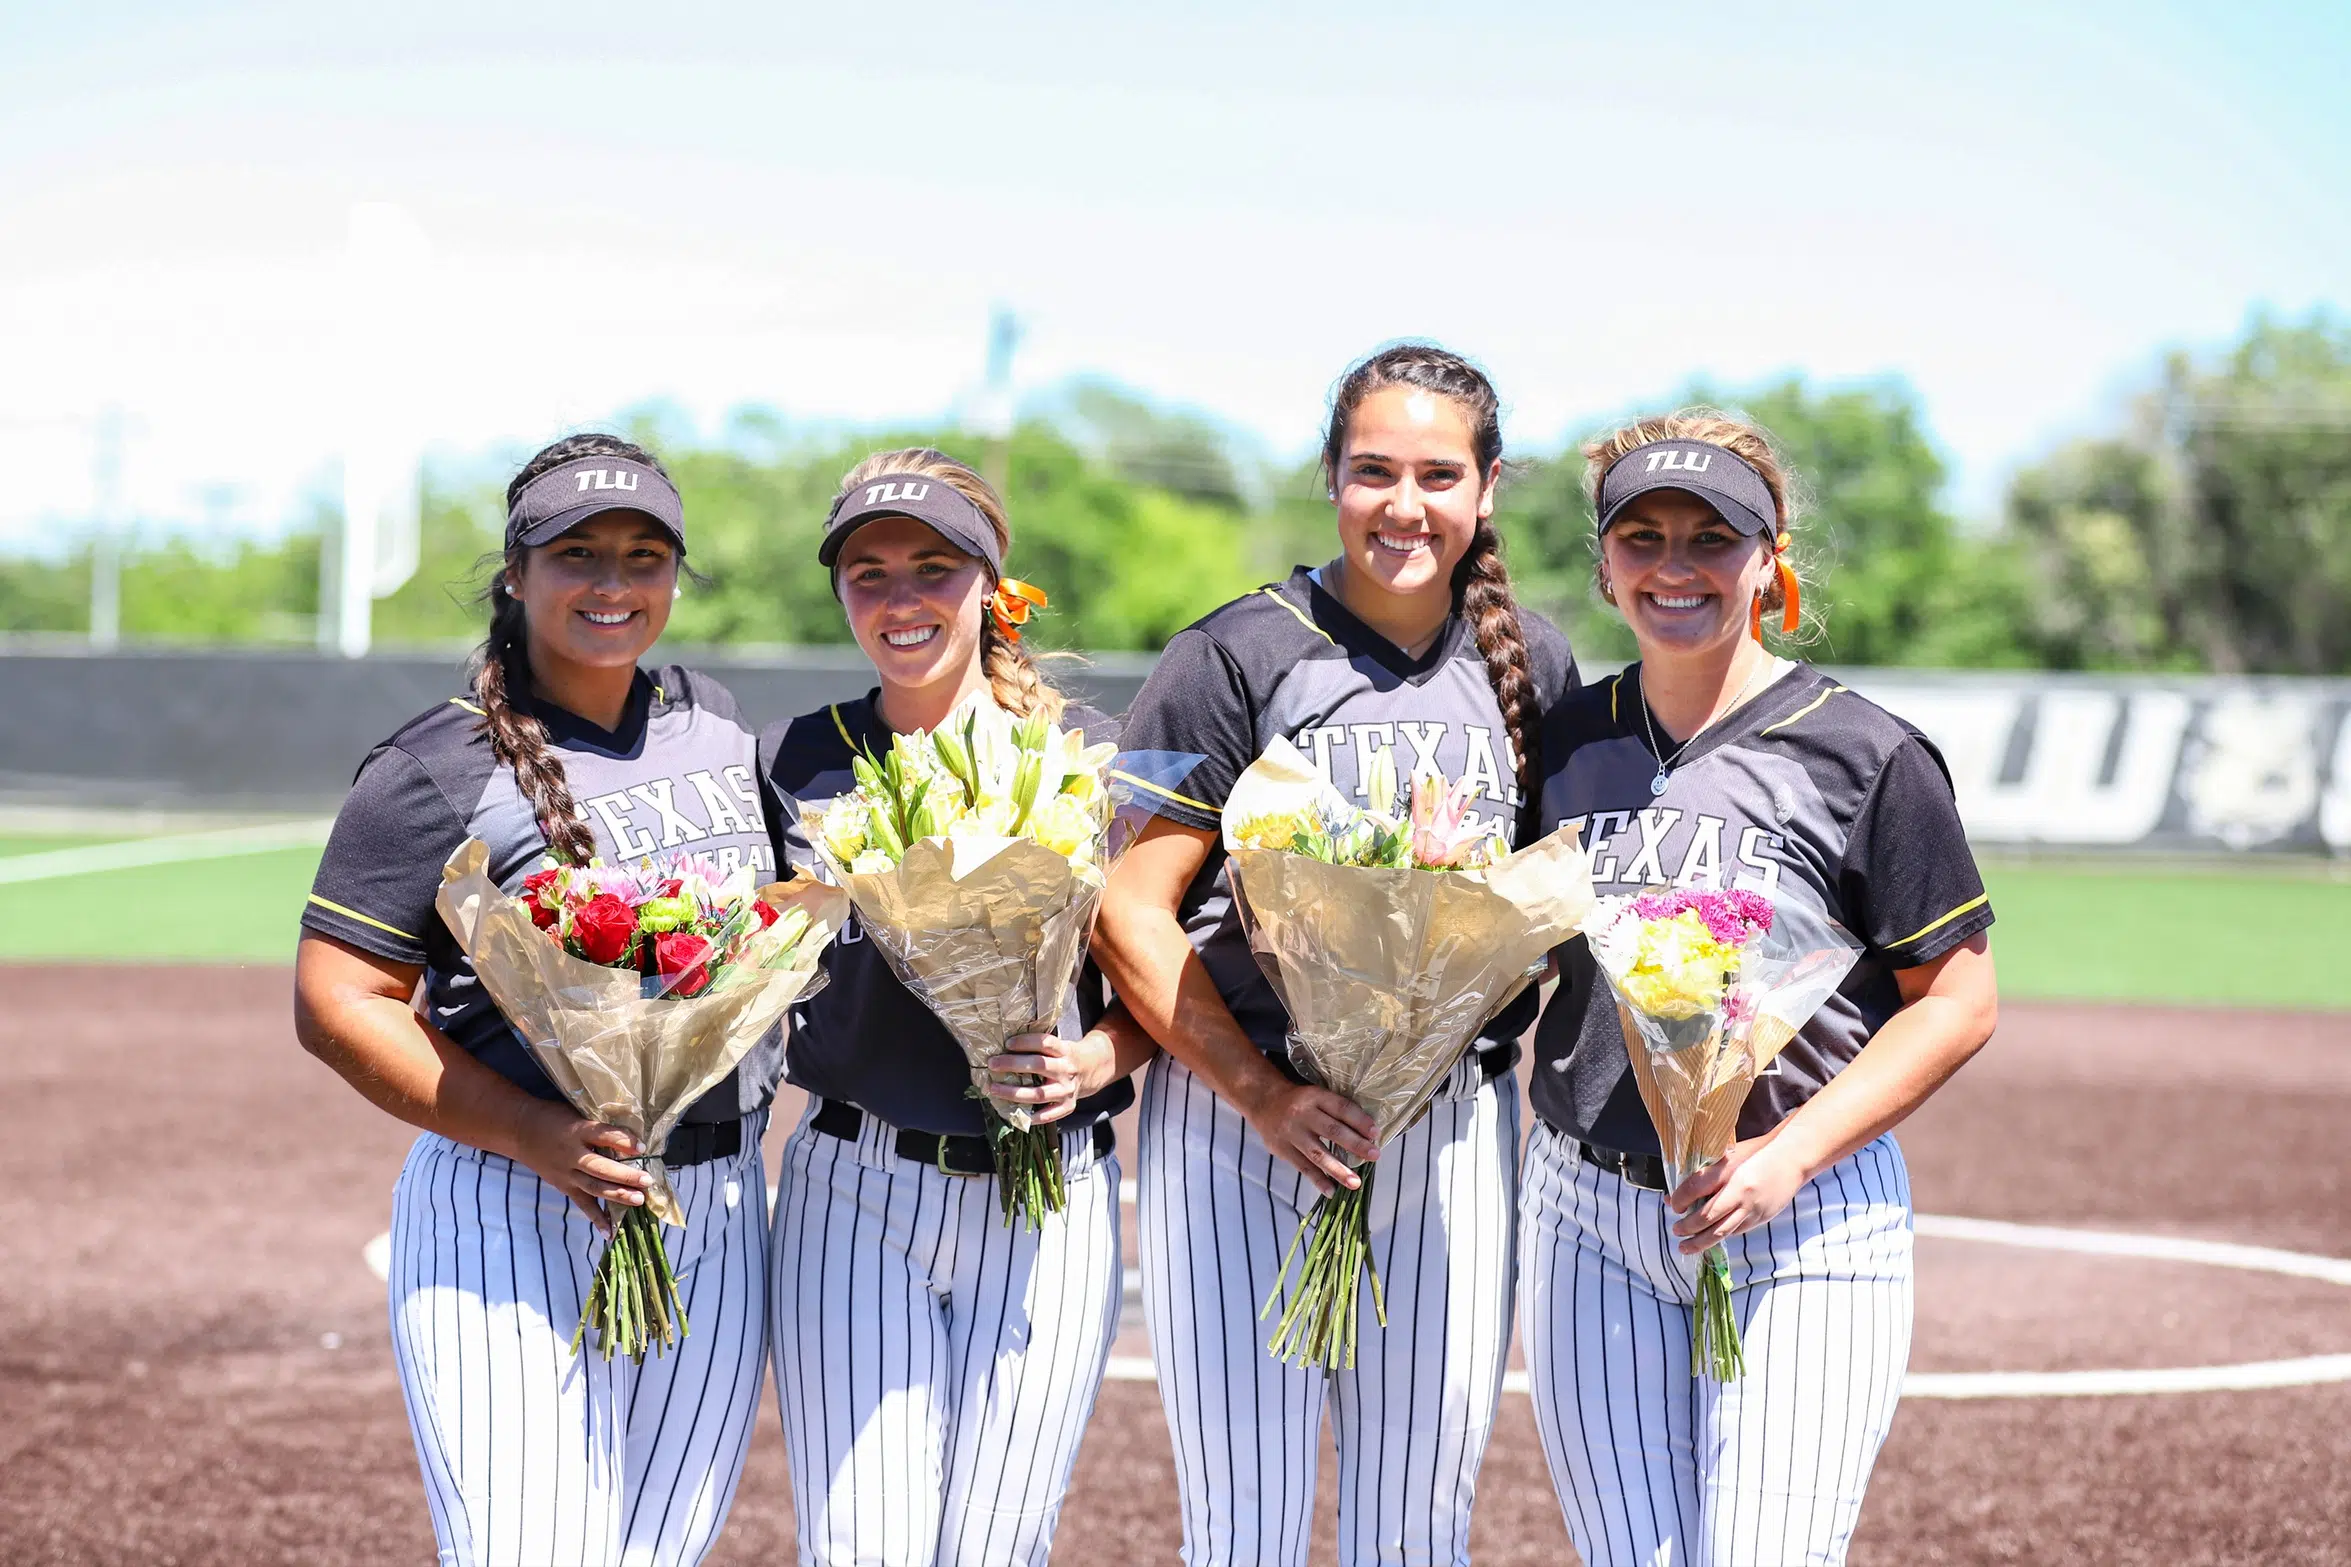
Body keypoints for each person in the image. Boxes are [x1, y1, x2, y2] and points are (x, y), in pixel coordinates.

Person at [1093, 344, 1578, 1566]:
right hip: (1238, 1123)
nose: (1402, 506)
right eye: (1371, 471)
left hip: (1452, 1127)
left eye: (1434, 473)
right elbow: (1130, 909)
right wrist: (1261, 1094)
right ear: (1329, 477)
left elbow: (1551, 900)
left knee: (1417, 1526)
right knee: (1243, 1523)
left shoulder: (1539, 662)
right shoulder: (1231, 655)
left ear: (1486, 486)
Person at [1519, 411, 2001, 1565]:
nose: (1674, 567)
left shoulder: (1863, 752)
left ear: (1768, 556)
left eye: (1711, 537)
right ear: (1601, 562)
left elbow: (1957, 997)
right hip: (1588, 1209)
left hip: (1803, 1213)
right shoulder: (1567, 737)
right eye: (1642, 537)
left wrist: (1788, 1155)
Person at [292, 434, 778, 1566]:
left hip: (709, 1202)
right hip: (508, 1205)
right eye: (578, 554)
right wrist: (535, 1133)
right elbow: (336, 1000)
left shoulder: (713, 723)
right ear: (516, 573)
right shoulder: (434, 765)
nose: (613, 584)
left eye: (644, 555)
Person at [758, 447, 1157, 1567]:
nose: (899, 599)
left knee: (997, 1545)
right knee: (861, 1544)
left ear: (992, 582)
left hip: (1051, 1197)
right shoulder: (803, 758)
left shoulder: (1081, 759)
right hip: (857, 1189)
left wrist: (1096, 1060)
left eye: (932, 567)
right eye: (867, 573)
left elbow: (1155, 979)